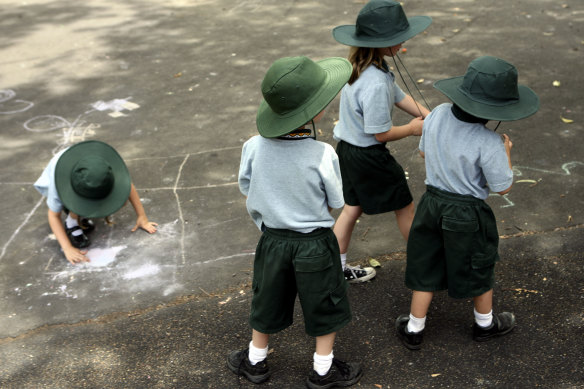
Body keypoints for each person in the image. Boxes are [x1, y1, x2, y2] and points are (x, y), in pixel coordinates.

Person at [227, 56, 362, 388]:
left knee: (267, 299)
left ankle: (256, 361)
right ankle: (321, 370)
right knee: (324, 304)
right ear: (314, 112)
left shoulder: (253, 146)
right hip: (314, 243)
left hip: (272, 240)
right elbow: (337, 202)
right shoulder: (322, 154)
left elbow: (247, 187)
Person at [395, 56, 540, 350]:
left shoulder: (436, 114)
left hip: (432, 205)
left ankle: (414, 327)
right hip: (467, 213)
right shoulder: (489, 142)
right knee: (479, 265)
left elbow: (424, 154)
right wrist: (506, 152)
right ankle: (485, 324)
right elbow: (504, 187)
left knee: (427, 263)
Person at [331, 0, 432, 283]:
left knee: (352, 208)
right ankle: (424, 265)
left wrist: (433, 118)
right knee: (406, 206)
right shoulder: (375, 82)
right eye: (397, 39)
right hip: (369, 155)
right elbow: (381, 133)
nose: (402, 43)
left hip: (348, 151)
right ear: (380, 42)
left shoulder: (364, 65)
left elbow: (401, 97)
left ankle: (336, 270)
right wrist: (413, 129)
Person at [34, 140, 158, 265]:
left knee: (90, 201)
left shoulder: (105, 170)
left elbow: (128, 186)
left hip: (83, 173)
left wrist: (142, 217)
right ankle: (71, 223)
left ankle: (79, 212)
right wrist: (67, 248)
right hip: (61, 179)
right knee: (79, 204)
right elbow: (53, 215)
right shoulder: (58, 186)